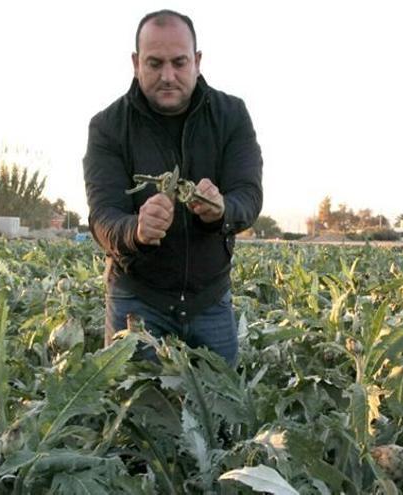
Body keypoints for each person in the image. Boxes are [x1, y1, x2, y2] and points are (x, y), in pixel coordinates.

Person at [82, 9, 263, 366]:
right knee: (137, 415)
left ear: (196, 61)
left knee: (220, 416)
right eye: (155, 63)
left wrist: (222, 208)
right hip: (137, 303)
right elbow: (103, 217)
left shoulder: (231, 116)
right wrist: (136, 230)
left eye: (179, 62)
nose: (168, 76)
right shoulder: (107, 127)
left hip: (209, 302)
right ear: (136, 63)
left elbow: (249, 195)